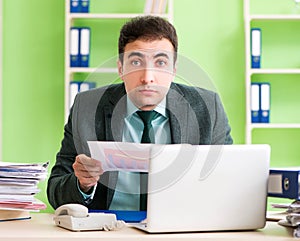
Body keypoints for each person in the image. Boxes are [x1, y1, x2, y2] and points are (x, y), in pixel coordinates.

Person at [47, 15, 233, 211]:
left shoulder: (207, 107)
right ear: (121, 68)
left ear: (174, 69)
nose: (147, 78)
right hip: (110, 230)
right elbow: (55, 191)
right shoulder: (87, 107)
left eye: (160, 63)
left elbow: (229, 181)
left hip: (179, 230)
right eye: (136, 62)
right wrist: (82, 184)